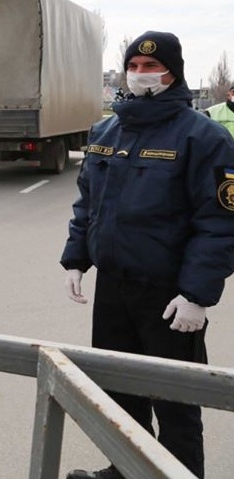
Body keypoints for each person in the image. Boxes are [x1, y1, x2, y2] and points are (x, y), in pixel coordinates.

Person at [60, 31, 234, 479]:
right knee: (118, 391)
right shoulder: (107, 130)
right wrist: (77, 257)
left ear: (172, 73)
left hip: (169, 296)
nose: (140, 75)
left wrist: (196, 294)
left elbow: (220, 223)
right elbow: (88, 203)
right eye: (133, 66)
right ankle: (126, 468)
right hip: (114, 288)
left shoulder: (204, 137)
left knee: (174, 403)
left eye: (151, 67)